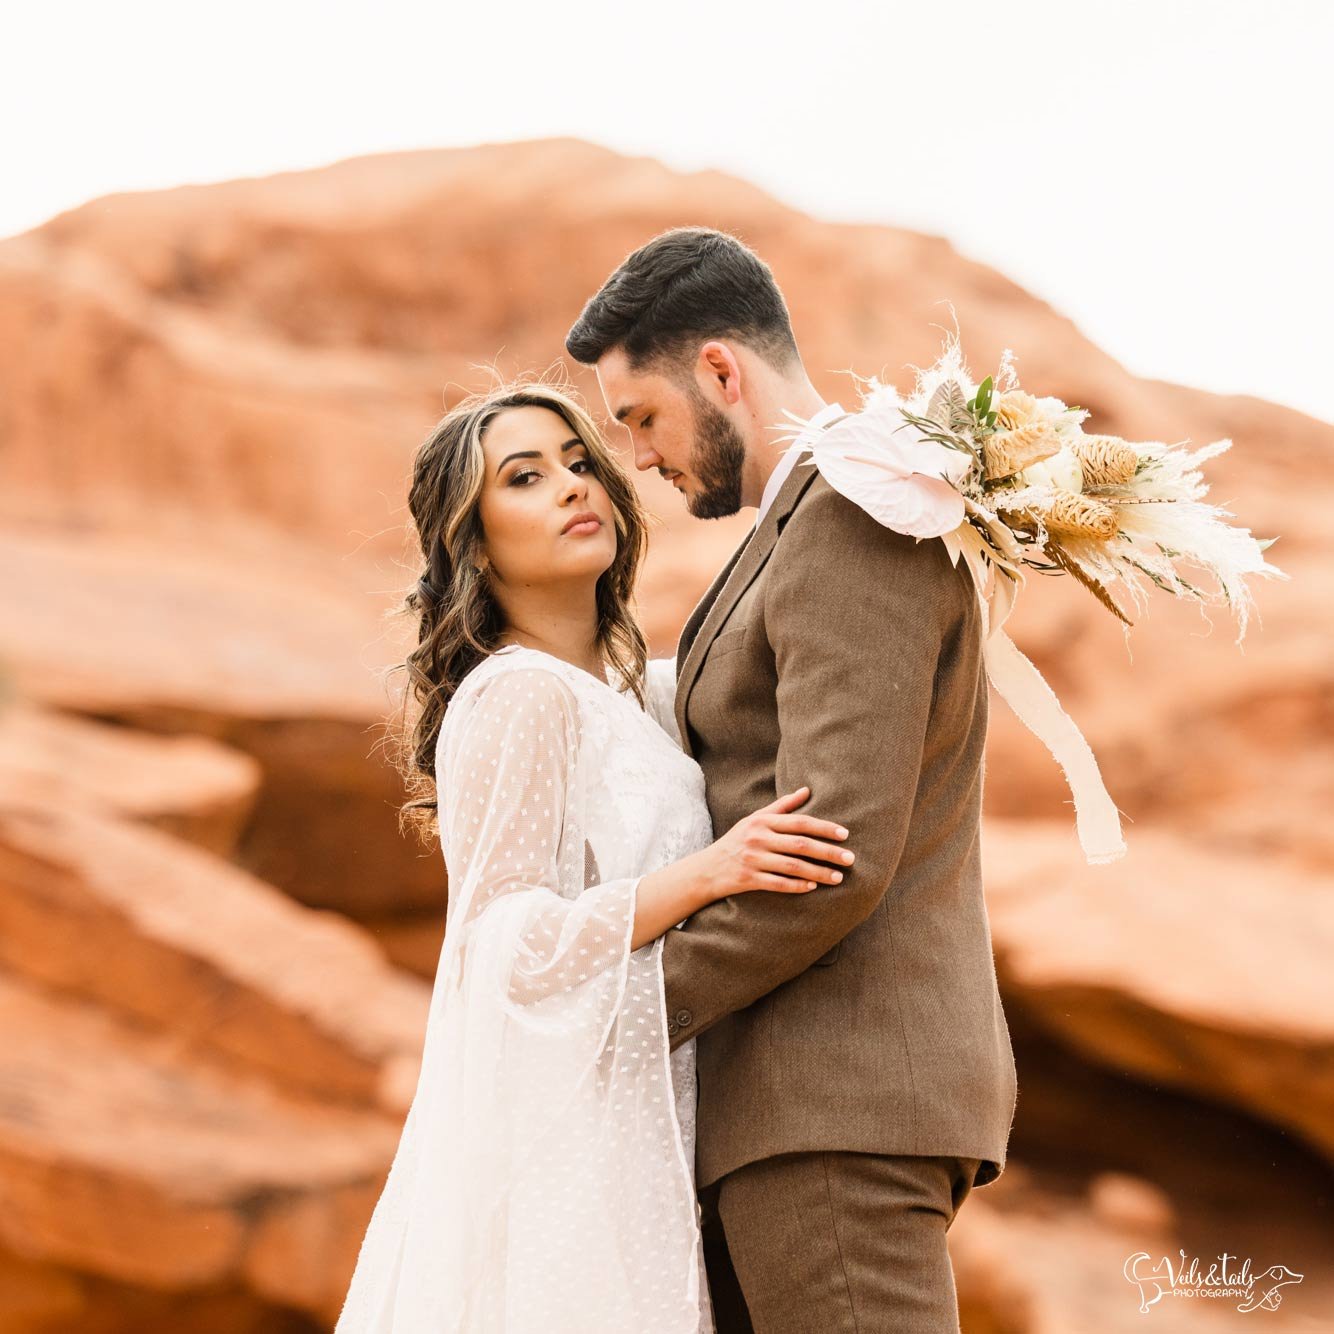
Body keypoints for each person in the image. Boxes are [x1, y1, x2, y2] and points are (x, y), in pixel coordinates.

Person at [566, 227, 1019, 1333]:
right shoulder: (803, 525)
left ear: (720, 371)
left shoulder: (856, 515)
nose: (636, 457)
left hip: (833, 1103)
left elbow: (829, 854)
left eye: (641, 418)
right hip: (790, 1104)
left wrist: (617, 1017)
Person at [333, 380, 853, 1333]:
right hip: (573, 1146)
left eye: (581, 465)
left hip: (658, 1116)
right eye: (526, 478)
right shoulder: (518, 697)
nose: (573, 488)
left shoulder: (637, 699)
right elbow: (505, 945)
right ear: (473, 541)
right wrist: (710, 872)